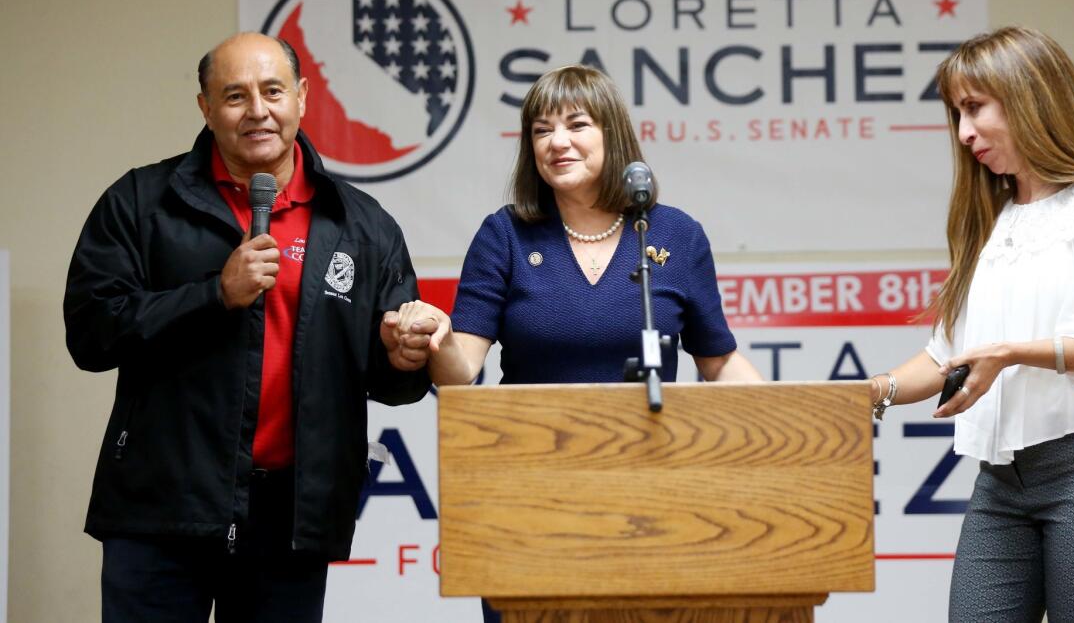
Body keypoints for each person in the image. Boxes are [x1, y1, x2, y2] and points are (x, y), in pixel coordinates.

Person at [64, 32, 433, 623]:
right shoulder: (140, 201)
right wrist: (213, 295)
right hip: (162, 507)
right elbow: (90, 333)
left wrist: (402, 358)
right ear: (206, 109)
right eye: (235, 96)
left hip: (289, 518)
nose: (257, 111)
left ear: (303, 98)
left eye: (272, 91)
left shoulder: (361, 224)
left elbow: (394, 381)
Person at [386, 64, 762, 621]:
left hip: (653, 498)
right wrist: (437, 337)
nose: (557, 141)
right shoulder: (505, 234)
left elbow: (719, 362)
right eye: (541, 130)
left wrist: (798, 416)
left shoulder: (674, 235)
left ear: (612, 133)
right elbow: (460, 368)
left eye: (576, 124)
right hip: (527, 498)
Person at [868, 27, 1074, 622]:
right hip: (1002, 480)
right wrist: (871, 393)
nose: (964, 133)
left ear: (1029, 97)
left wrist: (1008, 354)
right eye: (957, 114)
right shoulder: (994, 221)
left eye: (975, 108)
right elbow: (946, 357)